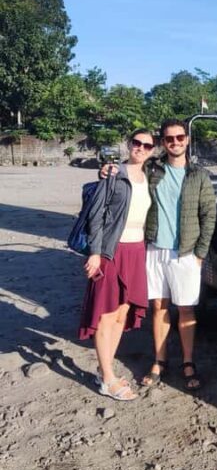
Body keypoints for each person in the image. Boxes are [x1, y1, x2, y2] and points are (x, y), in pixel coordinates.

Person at [79, 128, 154, 401]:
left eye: (147, 145)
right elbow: (95, 217)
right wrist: (95, 252)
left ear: (152, 150)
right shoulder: (113, 174)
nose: (141, 148)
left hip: (136, 250)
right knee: (106, 315)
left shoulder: (149, 177)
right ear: (128, 144)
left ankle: (104, 369)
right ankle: (108, 378)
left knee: (122, 314)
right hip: (112, 251)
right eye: (137, 143)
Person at [142, 118, 216, 390]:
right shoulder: (152, 169)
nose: (175, 142)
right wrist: (108, 169)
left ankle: (187, 360)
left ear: (187, 139)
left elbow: (209, 215)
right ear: (162, 142)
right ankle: (159, 360)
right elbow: (130, 170)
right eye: (169, 138)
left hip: (185, 252)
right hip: (155, 249)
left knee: (186, 308)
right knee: (158, 307)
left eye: (180, 137)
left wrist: (200, 253)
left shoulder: (198, 175)